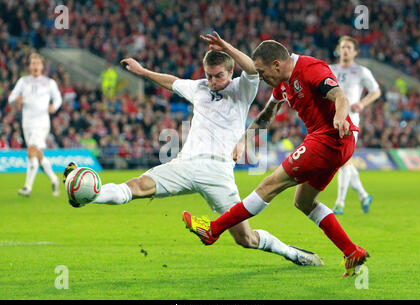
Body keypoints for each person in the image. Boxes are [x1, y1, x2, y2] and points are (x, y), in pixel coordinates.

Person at [63, 32, 324, 267]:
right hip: (185, 164)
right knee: (135, 187)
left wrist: (226, 46)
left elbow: (252, 68)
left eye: (218, 75)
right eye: (208, 75)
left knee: (246, 239)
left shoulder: (242, 89)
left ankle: (292, 253)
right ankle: (88, 194)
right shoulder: (199, 87)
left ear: (230, 72)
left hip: (218, 171)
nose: (212, 81)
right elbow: (172, 82)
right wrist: (143, 73)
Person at [183, 40, 369, 277]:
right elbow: (266, 115)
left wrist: (340, 118)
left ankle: (213, 230)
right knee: (303, 202)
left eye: (261, 72)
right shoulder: (282, 85)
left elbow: (340, 97)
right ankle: (352, 252)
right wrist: (244, 139)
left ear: (276, 64)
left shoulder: (311, 68)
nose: (259, 77)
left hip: (331, 138)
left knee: (268, 185)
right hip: (334, 143)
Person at [330, 36, 381, 215]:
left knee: (343, 161)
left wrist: (363, 103)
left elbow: (376, 91)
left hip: (351, 120)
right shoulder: (330, 69)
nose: (345, 50)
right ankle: (363, 195)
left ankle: (340, 203)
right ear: (338, 49)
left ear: (355, 52)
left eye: (349, 47)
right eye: (342, 47)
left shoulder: (361, 71)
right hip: (331, 119)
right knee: (343, 162)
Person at [8, 53, 62, 197]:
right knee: (37, 154)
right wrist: (16, 99)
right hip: (27, 123)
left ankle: (27, 187)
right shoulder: (23, 81)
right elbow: (11, 98)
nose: (36, 66)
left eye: (38, 63)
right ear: (29, 66)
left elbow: (58, 98)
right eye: (33, 63)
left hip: (42, 122)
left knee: (31, 150)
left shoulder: (49, 82)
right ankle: (54, 179)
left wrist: (54, 107)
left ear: (42, 66)